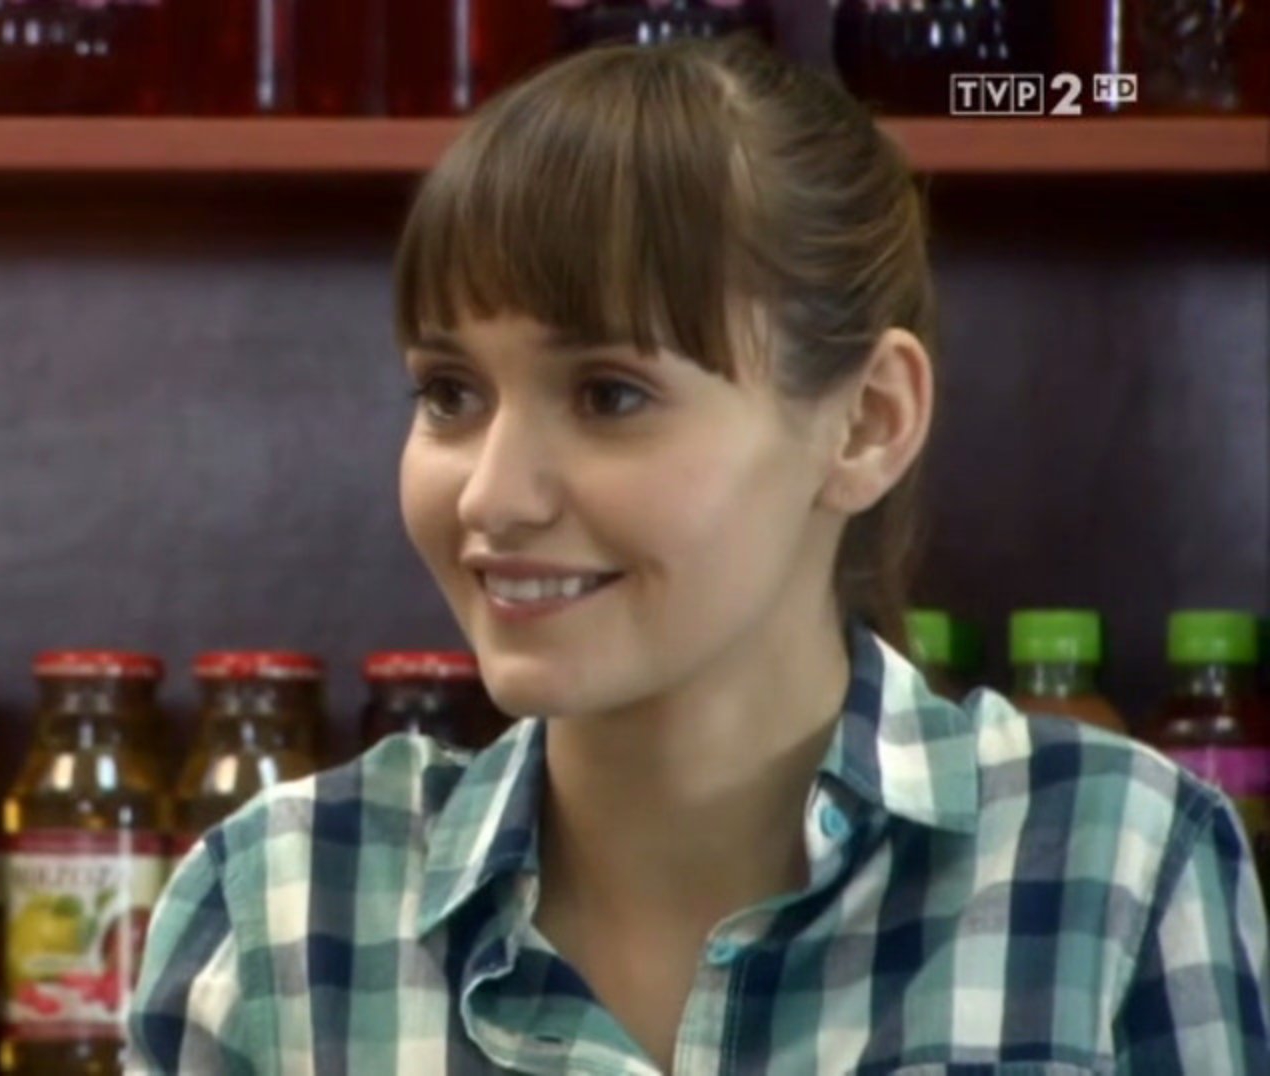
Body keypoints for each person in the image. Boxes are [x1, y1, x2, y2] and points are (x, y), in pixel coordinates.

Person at [125, 34, 1270, 1075]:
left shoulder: (1118, 863)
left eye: (610, 393)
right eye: (450, 393)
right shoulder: (278, 909)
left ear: (866, 422)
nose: (492, 494)